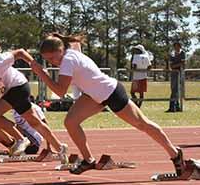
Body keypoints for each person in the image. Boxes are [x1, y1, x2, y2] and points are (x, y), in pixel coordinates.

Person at [33, 33, 185, 176]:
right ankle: (88, 160)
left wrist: (41, 73)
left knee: (142, 124)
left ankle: (175, 154)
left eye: (53, 58)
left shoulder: (68, 60)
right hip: (93, 95)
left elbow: (60, 91)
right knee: (71, 122)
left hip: (111, 92)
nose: (52, 62)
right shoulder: (68, 54)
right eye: (48, 60)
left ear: (61, 50)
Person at [167, 42, 186, 112]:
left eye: (178, 46)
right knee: (174, 90)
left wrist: (178, 65)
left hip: (181, 74)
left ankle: (177, 106)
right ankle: (172, 107)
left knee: (179, 90)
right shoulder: (172, 54)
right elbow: (171, 66)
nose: (176, 48)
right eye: (175, 46)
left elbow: (183, 64)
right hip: (174, 74)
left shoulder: (182, 53)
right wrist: (179, 64)